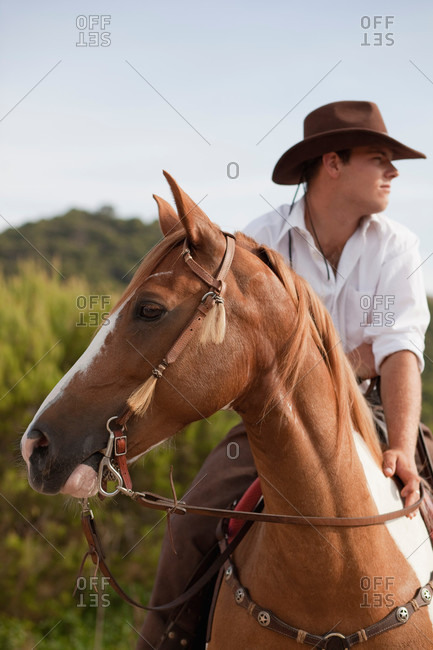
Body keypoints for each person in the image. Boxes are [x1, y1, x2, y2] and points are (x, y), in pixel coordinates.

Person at [137, 100, 430, 650]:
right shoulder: (261, 243)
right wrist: (351, 359)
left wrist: (403, 446)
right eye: (379, 157)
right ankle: (166, 643)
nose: (393, 170)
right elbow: (244, 348)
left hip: (377, 412)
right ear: (332, 163)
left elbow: (398, 353)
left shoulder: (399, 247)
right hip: (278, 418)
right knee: (191, 524)